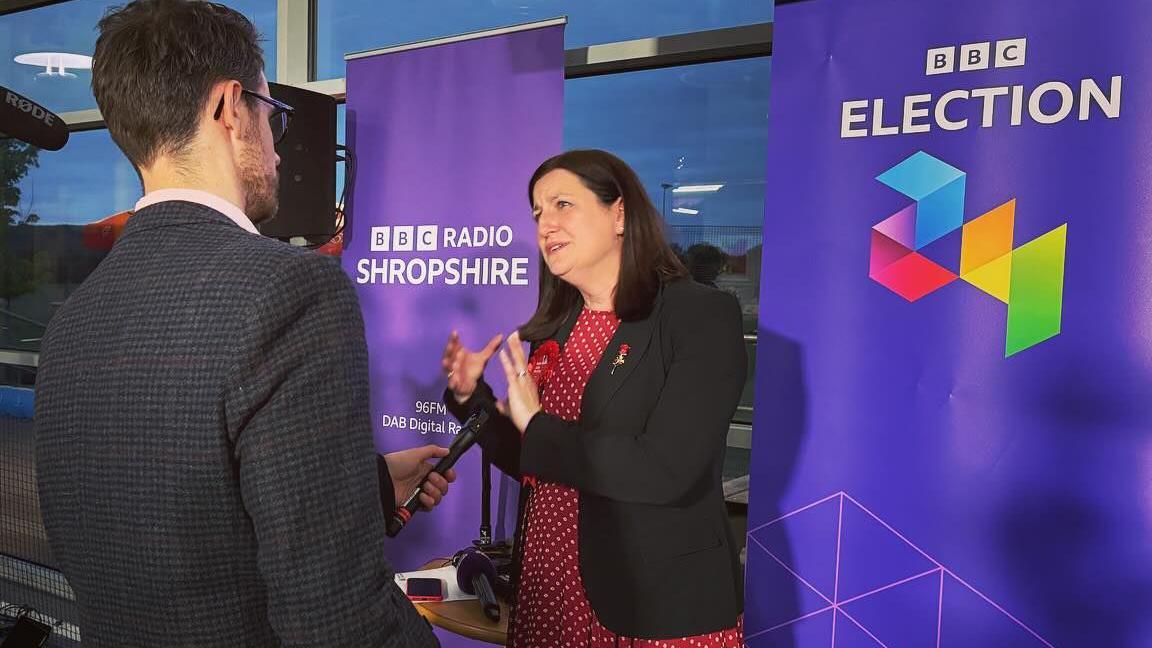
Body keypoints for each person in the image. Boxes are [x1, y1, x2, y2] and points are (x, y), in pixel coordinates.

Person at [33, 2, 443, 646]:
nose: (278, 147)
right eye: (271, 114)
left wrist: (367, 490)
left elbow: (177, 522)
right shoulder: (293, 291)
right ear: (230, 108)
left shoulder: (73, 323)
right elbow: (338, 623)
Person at [442, 149, 745, 646]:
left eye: (563, 204)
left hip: (650, 603)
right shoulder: (558, 328)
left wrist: (536, 423)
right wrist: (472, 397)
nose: (545, 225)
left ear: (620, 214)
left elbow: (665, 467)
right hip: (550, 584)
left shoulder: (700, 316)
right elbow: (538, 461)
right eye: (538, 212)